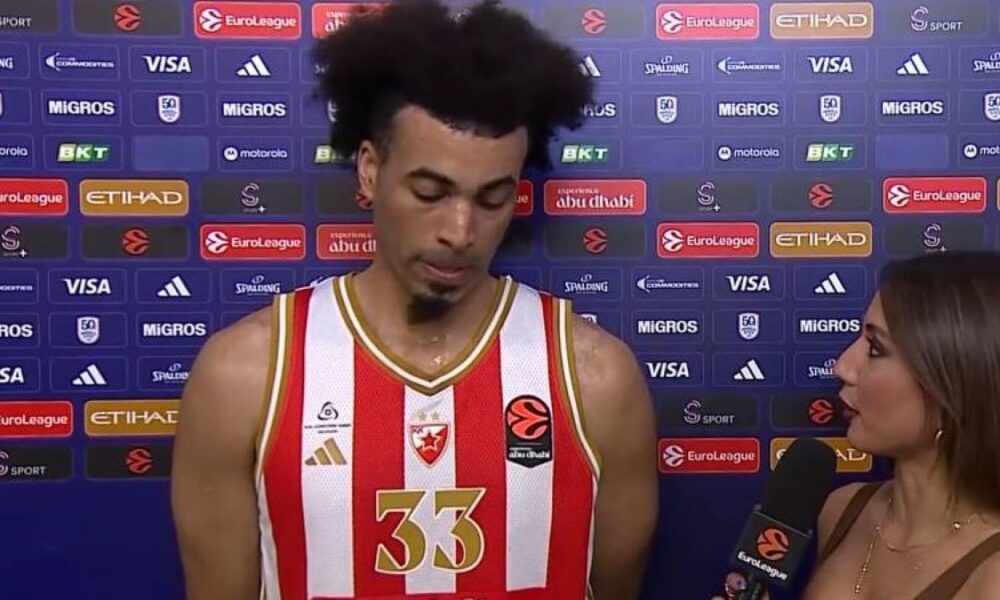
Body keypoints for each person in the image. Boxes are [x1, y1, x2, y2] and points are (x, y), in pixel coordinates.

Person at [170, 1, 658, 599]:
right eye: (430, 192)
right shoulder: (245, 375)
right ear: (370, 171)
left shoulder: (597, 379)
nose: (460, 231)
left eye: (492, 199)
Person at [715, 250, 1000, 599]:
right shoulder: (841, 509)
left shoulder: (993, 575)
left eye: (875, 348)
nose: (843, 367)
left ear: (952, 385)